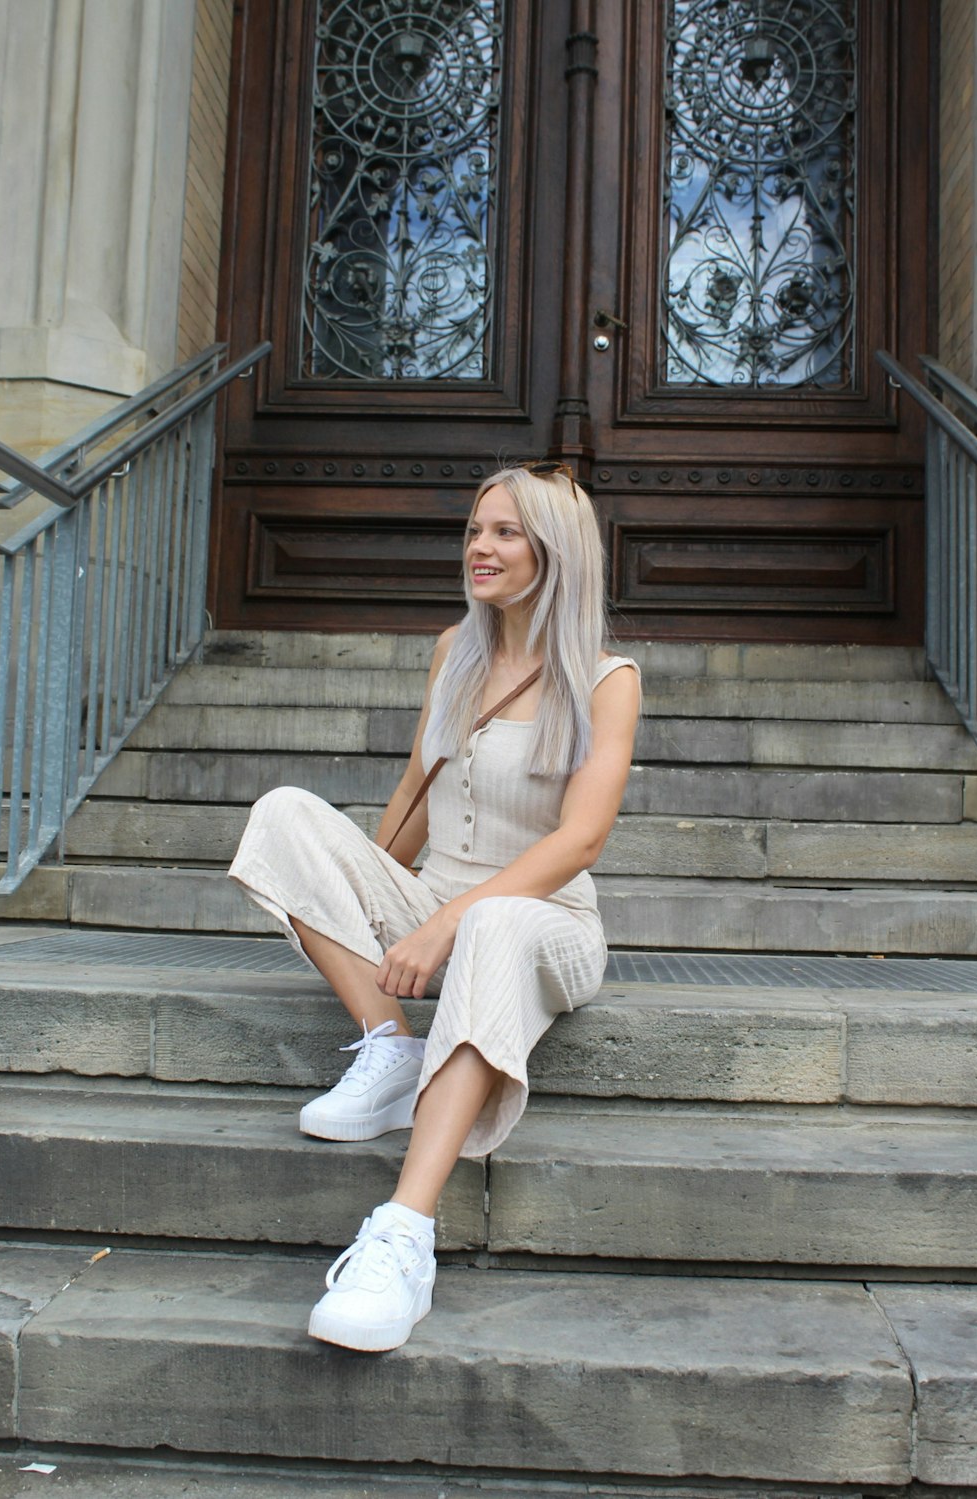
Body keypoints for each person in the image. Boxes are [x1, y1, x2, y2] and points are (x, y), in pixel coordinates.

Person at [228, 461, 641, 1352]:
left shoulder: (607, 678)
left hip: (543, 918)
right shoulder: (455, 652)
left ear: (555, 549)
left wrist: (444, 924)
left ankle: (404, 1235)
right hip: (439, 895)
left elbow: (579, 843)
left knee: (491, 919)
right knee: (284, 815)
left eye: (504, 532)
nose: (479, 548)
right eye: (473, 530)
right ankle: (388, 1044)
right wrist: (367, 901)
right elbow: (418, 791)